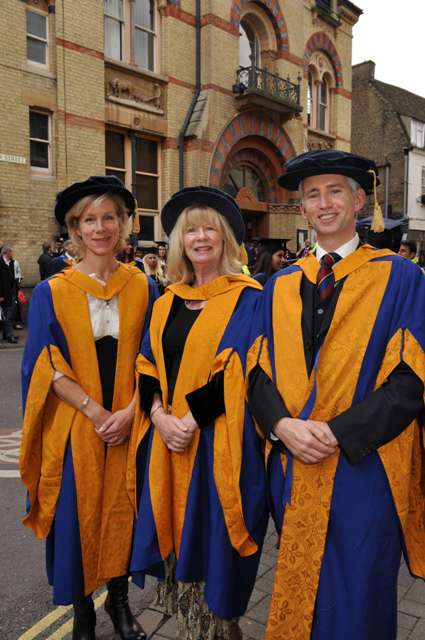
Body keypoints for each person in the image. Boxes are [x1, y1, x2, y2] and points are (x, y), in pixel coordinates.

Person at [248, 150, 425, 640]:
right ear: (301, 209)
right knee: (303, 584)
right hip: (293, 462)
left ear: (358, 200)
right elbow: (257, 373)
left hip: (364, 466)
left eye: (334, 191)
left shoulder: (400, 278)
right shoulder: (279, 284)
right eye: (311, 195)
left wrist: (335, 432)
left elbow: (411, 381)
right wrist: (281, 428)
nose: (323, 203)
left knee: (360, 591)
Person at [20, 176, 157, 640]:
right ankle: (82, 611)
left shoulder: (142, 286)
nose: (100, 228)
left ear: (122, 225)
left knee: (125, 511)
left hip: (130, 423)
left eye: (109, 218)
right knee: (76, 519)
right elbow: (45, 366)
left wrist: (132, 410)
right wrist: (98, 414)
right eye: (88, 220)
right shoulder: (52, 292)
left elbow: (154, 359)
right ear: (75, 231)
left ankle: (118, 604)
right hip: (77, 425)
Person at [128, 186, 268, 640]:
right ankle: (195, 623)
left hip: (217, 442)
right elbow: (147, 364)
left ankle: (223, 626)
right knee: (175, 535)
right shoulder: (166, 300)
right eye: (191, 231)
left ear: (226, 238)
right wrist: (159, 415)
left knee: (214, 538)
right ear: (179, 243)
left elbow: (241, 373)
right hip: (169, 439)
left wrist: (188, 420)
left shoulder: (249, 298)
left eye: (211, 228)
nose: (201, 238)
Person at [0, 246, 19, 343]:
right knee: (6, 315)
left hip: (10, 293)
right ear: (6, 253)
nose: (12, 254)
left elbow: (12, 279)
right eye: (11, 252)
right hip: (2, 295)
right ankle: (9, 335)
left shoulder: (11, 263)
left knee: (8, 314)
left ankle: (6, 334)